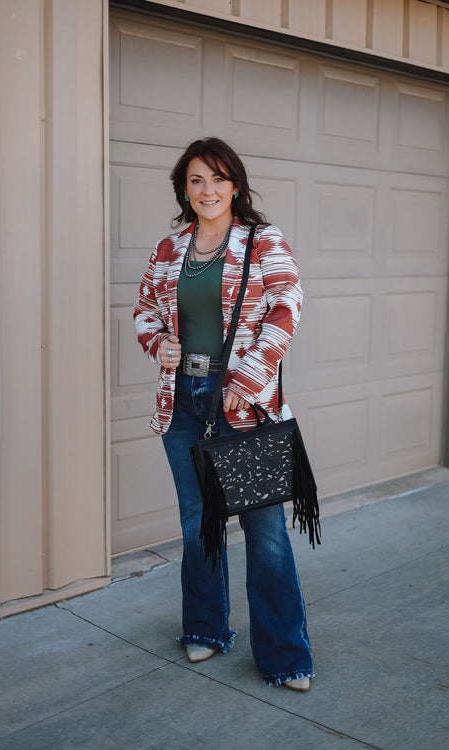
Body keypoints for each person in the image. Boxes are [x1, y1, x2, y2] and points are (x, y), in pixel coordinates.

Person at [133, 137, 314, 692]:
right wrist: (157, 341)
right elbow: (144, 310)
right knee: (197, 522)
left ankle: (285, 655)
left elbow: (288, 304)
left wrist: (249, 378)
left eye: (217, 179)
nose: (207, 191)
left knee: (264, 531)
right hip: (182, 399)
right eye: (196, 181)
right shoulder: (169, 248)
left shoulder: (263, 241)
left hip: (243, 401)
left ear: (235, 184)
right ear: (183, 190)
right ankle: (207, 628)